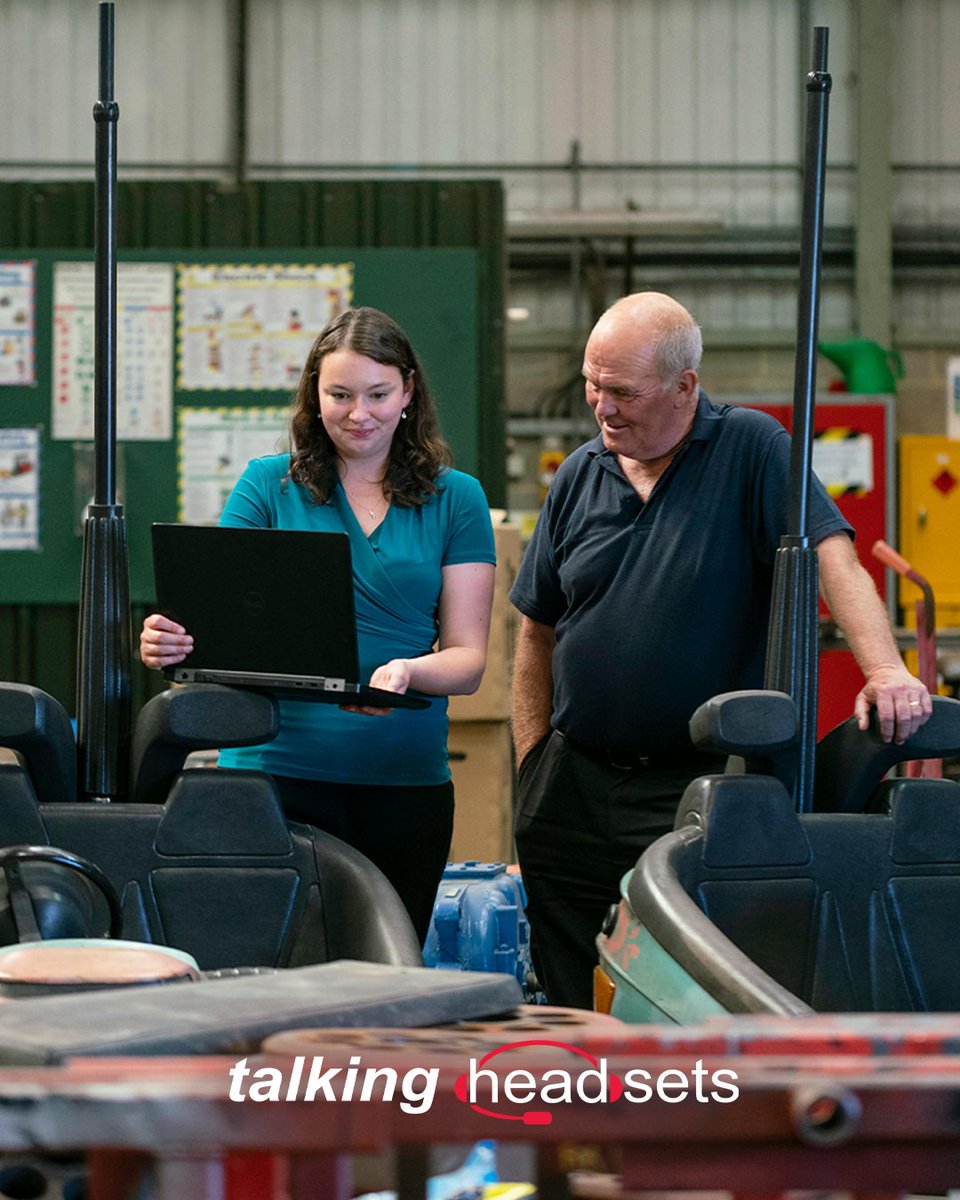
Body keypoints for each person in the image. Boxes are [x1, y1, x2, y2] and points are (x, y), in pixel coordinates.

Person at [509, 291, 932, 1009]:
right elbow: (537, 631)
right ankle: (583, 1118)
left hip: (696, 789)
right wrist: (531, 766)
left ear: (686, 386)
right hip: (572, 786)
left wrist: (885, 669)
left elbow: (834, 558)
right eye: (592, 386)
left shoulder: (752, 449)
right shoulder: (580, 473)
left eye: (622, 392)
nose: (602, 408)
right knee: (568, 992)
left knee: (688, 991)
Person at [141, 307, 496, 943]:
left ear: (409, 391)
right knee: (271, 964)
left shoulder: (457, 498)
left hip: (402, 782)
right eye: (339, 395)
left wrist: (411, 670)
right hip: (271, 775)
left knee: (387, 971)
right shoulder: (267, 485)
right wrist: (170, 640)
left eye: (379, 395)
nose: (359, 414)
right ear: (315, 395)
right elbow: (217, 623)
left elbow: (468, 660)